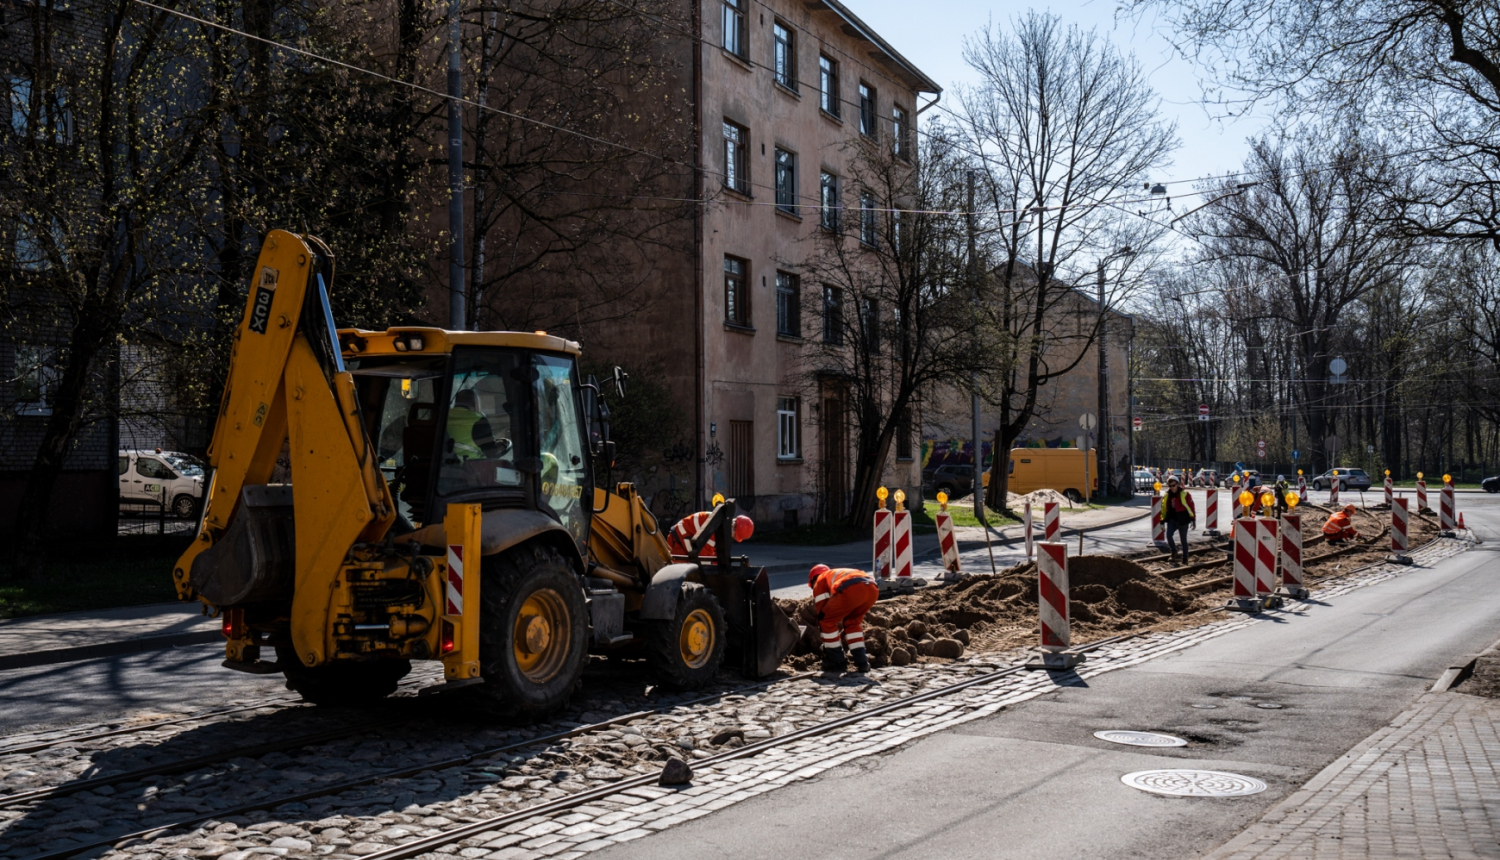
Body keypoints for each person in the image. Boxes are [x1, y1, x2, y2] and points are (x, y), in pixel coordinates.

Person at [808, 564, 879, 673]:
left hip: (852, 588)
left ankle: (837, 661)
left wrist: (829, 644)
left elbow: (823, 614)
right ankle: (862, 662)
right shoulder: (837, 573)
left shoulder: (820, 581)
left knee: (826, 621)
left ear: (813, 580)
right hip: (872, 589)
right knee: (852, 623)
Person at [446, 388, 504, 461]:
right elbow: (492, 453)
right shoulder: (479, 421)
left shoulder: (444, 415)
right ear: (475, 404)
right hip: (470, 468)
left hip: (445, 465)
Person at [667, 512, 754, 558]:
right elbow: (705, 560)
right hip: (677, 542)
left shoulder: (719, 521)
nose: (732, 538)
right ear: (733, 526)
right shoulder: (715, 532)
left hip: (681, 537)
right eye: (734, 536)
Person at [1159, 475, 1197, 564]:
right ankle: (1174, 551)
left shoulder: (1185, 494)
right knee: (1168, 535)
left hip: (1183, 520)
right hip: (1172, 520)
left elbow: (1191, 507)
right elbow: (1163, 509)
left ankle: (1185, 559)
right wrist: (1162, 521)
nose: (1172, 488)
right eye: (1170, 486)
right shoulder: (1166, 495)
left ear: (1178, 484)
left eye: (1174, 485)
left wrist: (1193, 520)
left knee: (1183, 540)